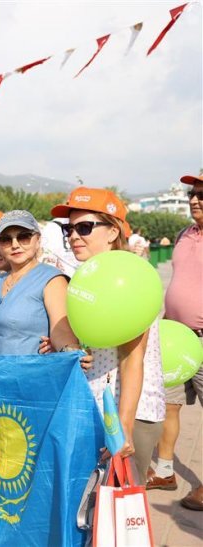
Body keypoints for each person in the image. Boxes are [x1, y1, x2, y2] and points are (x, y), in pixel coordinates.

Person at [51, 187, 165, 480]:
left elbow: (132, 358)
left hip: (128, 410)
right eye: (70, 228)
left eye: (85, 227)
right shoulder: (87, 275)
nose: (74, 236)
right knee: (93, 510)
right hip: (96, 401)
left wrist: (123, 427)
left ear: (113, 232)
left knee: (120, 510)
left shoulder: (125, 277)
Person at [147, 174, 203, 510]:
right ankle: (165, 471)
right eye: (192, 194)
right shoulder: (185, 235)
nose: (195, 200)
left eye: (202, 195)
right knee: (169, 405)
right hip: (175, 338)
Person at [0, 211, 78, 355]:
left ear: (38, 240)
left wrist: (70, 349)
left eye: (23, 237)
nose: (15, 245)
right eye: (6, 239)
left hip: (31, 374)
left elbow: (61, 329)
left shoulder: (52, 280)